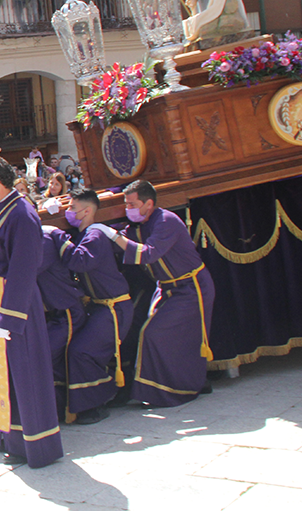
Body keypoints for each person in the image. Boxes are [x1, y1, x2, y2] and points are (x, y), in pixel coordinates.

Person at [93, 180, 215, 407]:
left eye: (132, 204)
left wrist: (112, 235)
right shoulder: (139, 225)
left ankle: (171, 390)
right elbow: (124, 239)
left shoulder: (165, 221)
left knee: (154, 333)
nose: (128, 208)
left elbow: (148, 254)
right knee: (172, 339)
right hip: (166, 287)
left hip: (190, 287)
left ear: (148, 203)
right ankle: (191, 381)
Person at [0, 156, 63, 468]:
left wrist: (10, 315)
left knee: (26, 374)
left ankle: (37, 444)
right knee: (7, 375)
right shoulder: (5, 206)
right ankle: (10, 436)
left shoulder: (22, 213)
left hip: (14, 304)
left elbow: (25, 267)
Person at [63, 190, 134, 425]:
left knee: (81, 352)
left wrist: (58, 240)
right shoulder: (85, 233)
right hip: (101, 306)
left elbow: (80, 262)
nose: (69, 212)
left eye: (72, 208)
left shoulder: (94, 235)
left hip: (114, 308)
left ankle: (95, 404)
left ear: (87, 211)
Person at [35, 226, 86, 424]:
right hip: (55, 314)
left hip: (68, 311)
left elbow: (31, 267)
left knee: (45, 354)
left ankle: (63, 409)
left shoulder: (43, 240)